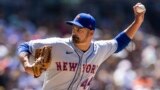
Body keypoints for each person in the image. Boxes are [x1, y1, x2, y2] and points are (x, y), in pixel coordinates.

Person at [18, 3, 146, 90]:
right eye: (74, 28)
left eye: (80, 29)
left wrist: (138, 21)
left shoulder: (99, 49)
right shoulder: (57, 45)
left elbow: (120, 42)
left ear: (91, 33)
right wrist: (26, 64)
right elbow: (25, 46)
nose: (75, 31)